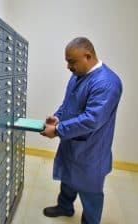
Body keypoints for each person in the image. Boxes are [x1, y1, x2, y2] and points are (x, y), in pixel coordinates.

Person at [40, 37, 123, 224]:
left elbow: (92, 120)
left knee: (90, 191)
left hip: (90, 150)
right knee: (68, 179)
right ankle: (65, 207)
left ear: (88, 56)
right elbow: (68, 103)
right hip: (72, 142)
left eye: (71, 61)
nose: (68, 66)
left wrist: (59, 130)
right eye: (67, 61)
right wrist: (57, 118)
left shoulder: (107, 83)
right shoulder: (77, 76)